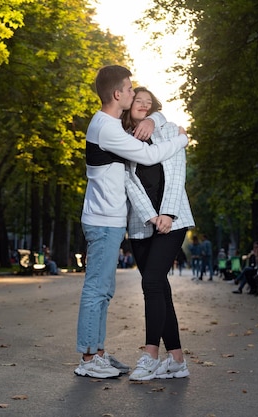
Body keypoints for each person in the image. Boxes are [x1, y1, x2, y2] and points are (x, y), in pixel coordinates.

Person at [75, 66, 188, 379]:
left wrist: (160, 121)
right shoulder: (110, 129)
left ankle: (98, 352)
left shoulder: (115, 126)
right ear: (118, 94)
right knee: (98, 289)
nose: (133, 95)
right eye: (128, 90)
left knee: (107, 289)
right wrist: (183, 140)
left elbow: (161, 139)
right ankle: (88, 358)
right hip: (106, 220)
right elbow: (143, 162)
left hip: (114, 220)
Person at [122, 86, 194, 380]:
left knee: (151, 283)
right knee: (159, 289)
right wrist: (150, 215)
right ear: (128, 106)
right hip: (141, 224)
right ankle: (176, 360)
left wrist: (167, 213)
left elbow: (177, 173)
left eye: (148, 103)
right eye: (137, 100)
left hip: (173, 221)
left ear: (154, 109)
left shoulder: (168, 132)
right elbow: (128, 181)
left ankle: (151, 354)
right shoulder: (122, 139)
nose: (142, 105)